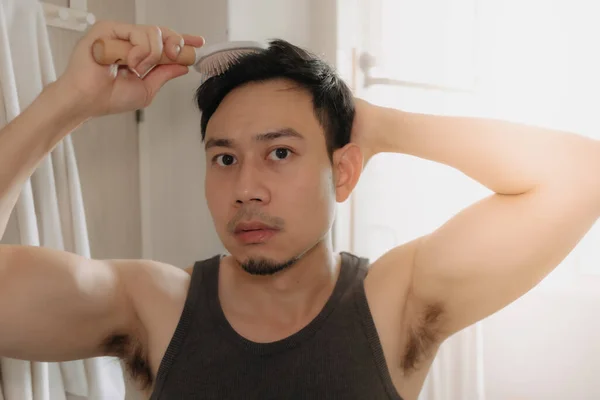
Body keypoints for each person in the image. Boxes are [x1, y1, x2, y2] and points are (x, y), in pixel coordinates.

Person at [1, 20, 599, 400]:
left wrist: (377, 124)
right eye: (225, 159)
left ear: (342, 172)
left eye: (280, 152)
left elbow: (582, 176)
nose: (247, 189)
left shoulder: (396, 302)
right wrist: (69, 102)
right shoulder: (153, 309)